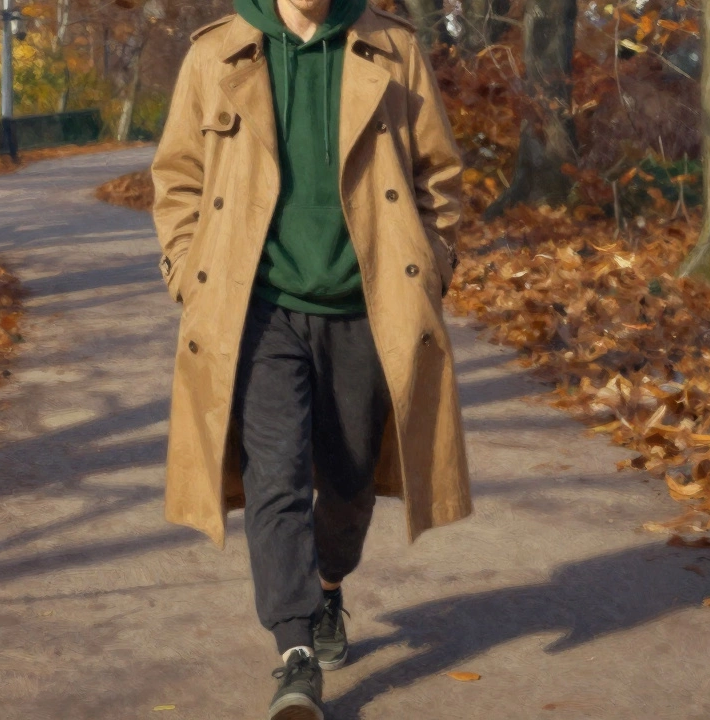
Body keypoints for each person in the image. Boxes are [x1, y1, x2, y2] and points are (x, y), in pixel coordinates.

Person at [150, 0, 472, 716]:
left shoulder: (391, 46)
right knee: (277, 478)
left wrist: (434, 260)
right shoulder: (218, 52)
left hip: (366, 303)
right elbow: (177, 179)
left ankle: (328, 588)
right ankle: (295, 651)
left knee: (353, 478)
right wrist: (186, 269)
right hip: (257, 311)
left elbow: (438, 176)